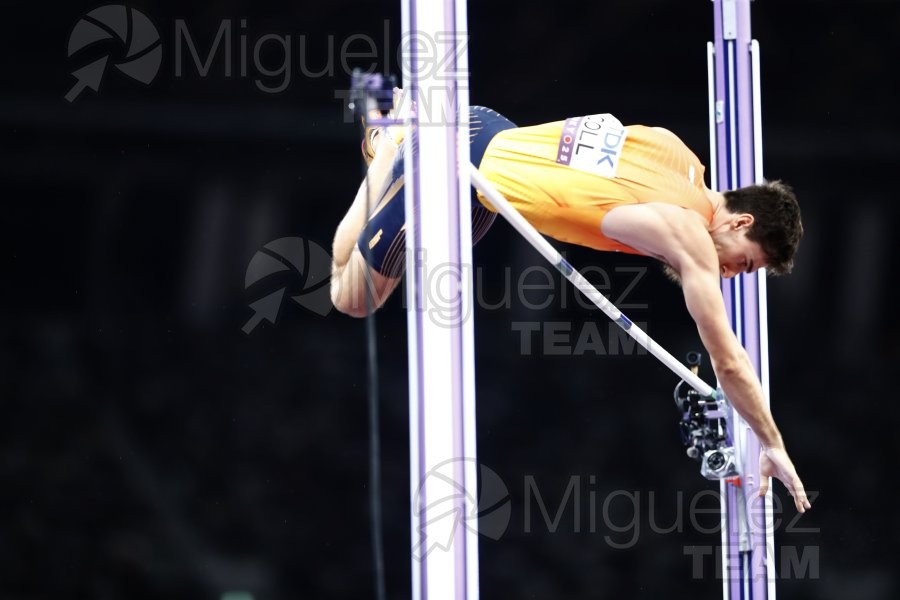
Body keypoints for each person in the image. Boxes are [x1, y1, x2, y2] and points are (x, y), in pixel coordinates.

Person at [329, 95, 811, 514]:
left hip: (487, 139)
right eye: (745, 264)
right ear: (739, 221)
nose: (732, 274)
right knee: (350, 297)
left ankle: (407, 145)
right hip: (455, 166)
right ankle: (389, 149)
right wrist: (771, 442)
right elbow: (728, 362)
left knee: (431, 261)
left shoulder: (674, 151)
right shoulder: (691, 236)